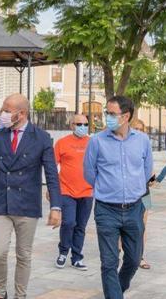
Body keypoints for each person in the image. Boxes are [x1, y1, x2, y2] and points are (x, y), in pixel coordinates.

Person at [0, 93, 62, 299]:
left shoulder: (41, 137)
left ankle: (21, 295)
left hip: (27, 203)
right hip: (1, 202)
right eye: (2, 109)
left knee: (23, 254)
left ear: (22, 114)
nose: (2, 114)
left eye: (7, 110)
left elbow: (52, 174)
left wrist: (56, 206)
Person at [84, 96, 153, 299]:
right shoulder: (97, 141)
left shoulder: (142, 140)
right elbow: (89, 173)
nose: (107, 117)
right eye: (107, 113)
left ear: (126, 116)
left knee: (133, 259)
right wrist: (108, 188)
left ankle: (116, 290)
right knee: (109, 262)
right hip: (106, 209)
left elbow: (147, 170)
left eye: (111, 114)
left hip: (134, 208)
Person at [53, 114, 93, 271]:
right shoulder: (62, 143)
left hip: (87, 191)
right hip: (66, 190)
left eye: (85, 124)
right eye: (79, 124)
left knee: (81, 226)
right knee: (69, 222)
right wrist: (53, 189)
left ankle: (77, 257)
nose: (82, 127)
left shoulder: (92, 143)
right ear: (71, 125)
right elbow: (52, 167)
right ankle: (63, 252)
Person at [129, 119, 155, 270]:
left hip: (145, 192)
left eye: (141, 129)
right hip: (129, 193)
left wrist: (152, 178)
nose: (139, 131)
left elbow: (150, 169)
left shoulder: (145, 146)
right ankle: (121, 250)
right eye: (135, 129)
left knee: (143, 225)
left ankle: (140, 256)